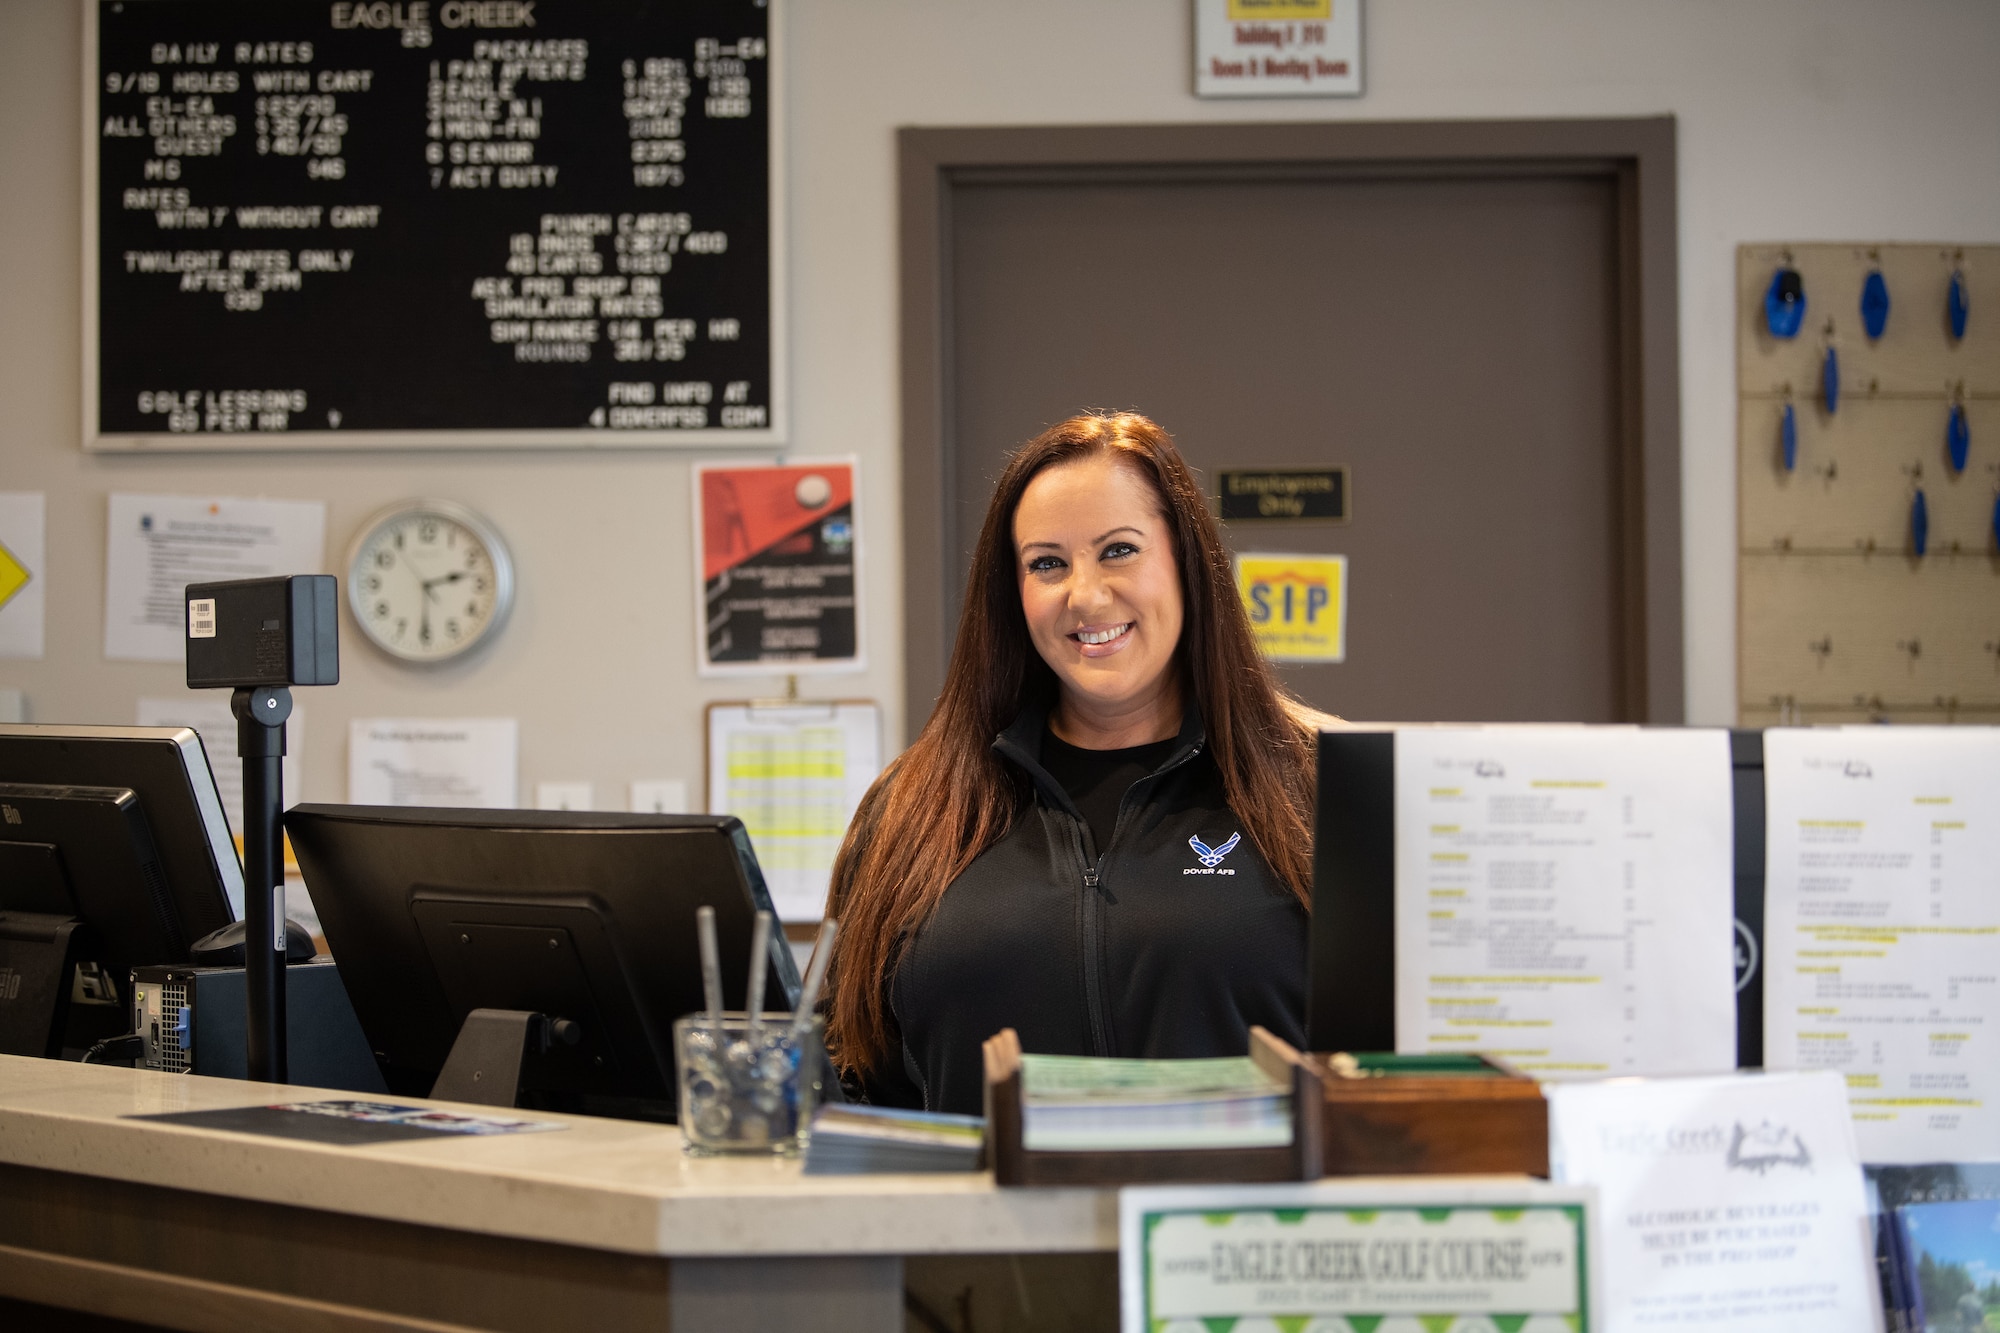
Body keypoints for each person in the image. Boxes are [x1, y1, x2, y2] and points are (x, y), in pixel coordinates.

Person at [824, 411, 1330, 1114]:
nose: (1085, 596)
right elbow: (853, 1069)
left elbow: (1397, 1073)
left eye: (1119, 550)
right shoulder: (912, 806)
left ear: (1186, 561)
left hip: (1227, 1225)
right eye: (1048, 563)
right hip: (974, 1225)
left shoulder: (1315, 788)